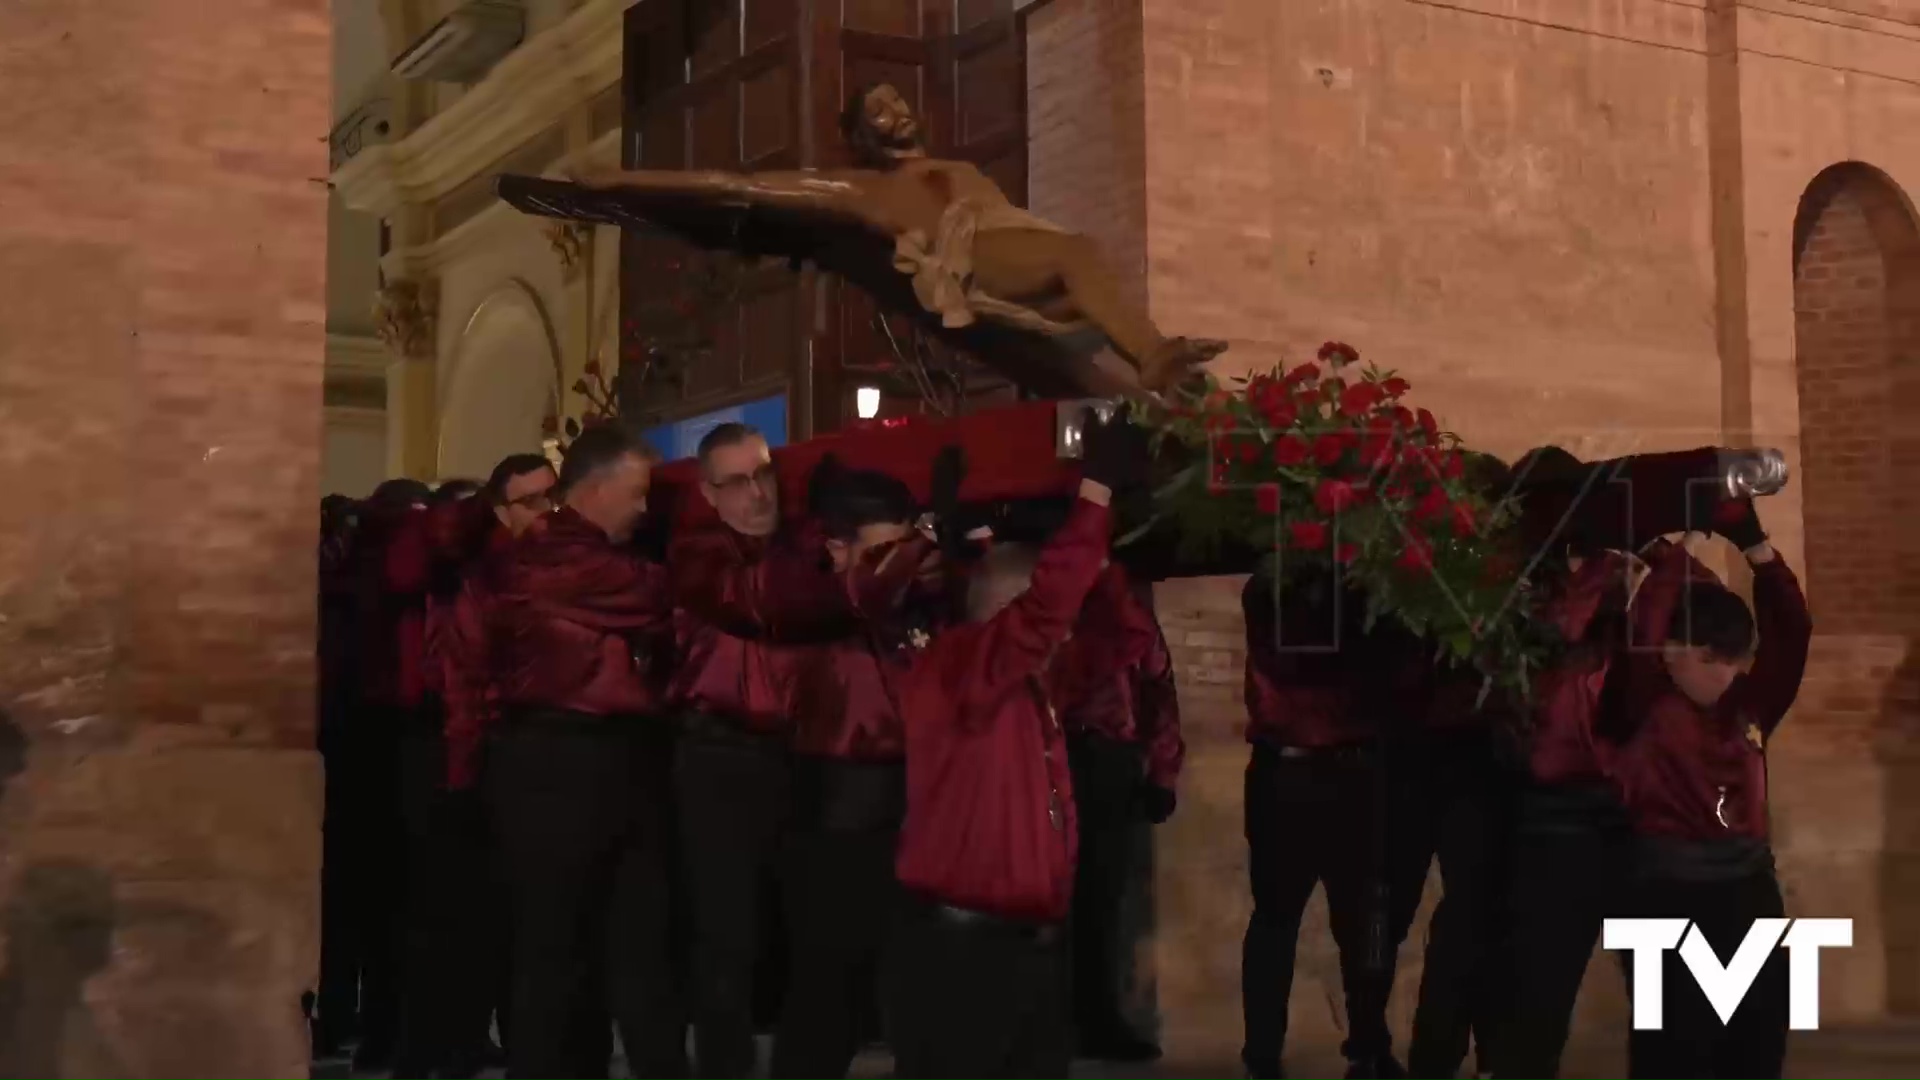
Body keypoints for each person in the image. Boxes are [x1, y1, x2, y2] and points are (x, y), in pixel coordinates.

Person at [579, 85, 1224, 392]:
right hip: (973, 257)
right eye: (877, 111)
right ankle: (1155, 356)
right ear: (861, 138)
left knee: (1082, 284)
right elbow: (734, 184)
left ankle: (1156, 377)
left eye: (897, 100)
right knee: (1076, 254)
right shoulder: (863, 190)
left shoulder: (960, 167)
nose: (897, 112)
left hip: (1024, 251)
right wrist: (623, 178)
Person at [886, 408, 1148, 1080]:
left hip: (1031, 958)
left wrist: (1099, 555)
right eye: (1045, 625)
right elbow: (1044, 612)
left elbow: (1123, 642)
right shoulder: (958, 670)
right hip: (962, 961)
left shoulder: (1029, 685)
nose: (1060, 637)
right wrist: (1094, 496)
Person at [485, 424, 687, 1080]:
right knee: (557, 953)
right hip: (556, 763)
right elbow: (654, 596)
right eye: (635, 493)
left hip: (612, 761)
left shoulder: (576, 554)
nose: (643, 507)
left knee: (635, 949)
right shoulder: (548, 554)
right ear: (596, 490)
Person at [668, 422, 859, 1080]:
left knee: (816, 934)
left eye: (764, 475)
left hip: (802, 757)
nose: (757, 494)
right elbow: (768, 605)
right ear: (708, 491)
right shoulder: (697, 554)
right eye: (738, 482)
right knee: (727, 939)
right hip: (719, 759)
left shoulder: (798, 544)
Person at [1612, 503, 1811, 1080]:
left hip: (1747, 892)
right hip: (1661, 896)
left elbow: (1792, 631)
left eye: (1732, 660)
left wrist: (1759, 553)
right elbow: (1643, 630)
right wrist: (1677, 546)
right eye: (1706, 659)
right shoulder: (1641, 702)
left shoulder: (1751, 703)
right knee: (1670, 1052)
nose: (1724, 673)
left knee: (1756, 1049)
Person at [770, 465, 955, 1080]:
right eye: (883, 553)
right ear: (836, 549)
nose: (898, 566)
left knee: (917, 1000)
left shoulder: (915, 608)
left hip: (909, 819)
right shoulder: (815, 604)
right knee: (825, 1005)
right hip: (835, 828)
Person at [1238, 569, 1432, 1080]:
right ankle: (1364, 1047)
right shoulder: (1360, 593)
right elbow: (1397, 676)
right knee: (1355, 915)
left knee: (1286, 918)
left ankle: (1268, 1054)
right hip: (1343, 769)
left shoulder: (1268, 586)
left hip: (1296, 769)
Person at [403, 453, 559, 1080]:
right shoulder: (477, 575)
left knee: (493, 918)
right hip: (468, 758)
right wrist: (467, 773)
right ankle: (447, 1047)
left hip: (494, 757)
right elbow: (467, 679)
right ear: (499, 510)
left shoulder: (522, 567)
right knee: (464, 918)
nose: (547, 510)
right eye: (532, 500)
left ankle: (469, 1042)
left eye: (553, 496)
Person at [1487, 547, 1645, 1080]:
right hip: (1559, 813)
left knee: (1656, 1002)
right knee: (1540, 998)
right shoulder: (1526, 594)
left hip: (1616, 817)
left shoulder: (1631, 583)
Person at [1050, 564, 1182, 1063]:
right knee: (1048, 896)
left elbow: (1156, 684)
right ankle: (1070, 1021)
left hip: (1104, 757)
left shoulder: (1118, 597)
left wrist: (1162, 771)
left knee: (1101, 900)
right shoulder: (1046, 588)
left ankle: (1095, 1020)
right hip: (1052, 752)